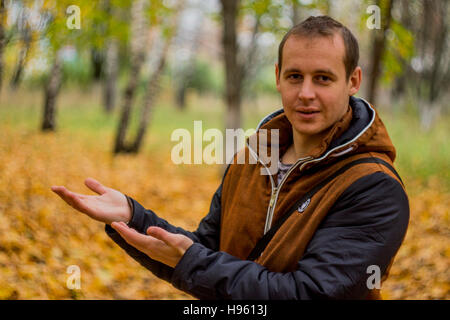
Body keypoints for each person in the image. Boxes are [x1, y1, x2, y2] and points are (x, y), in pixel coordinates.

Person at [51, 16, 409, 299]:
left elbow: (311, 292)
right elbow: (208, 250)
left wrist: (192, 261)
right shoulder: (252, 158)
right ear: (277, 78)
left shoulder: (374, 187)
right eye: (295, 76)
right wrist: (133, 216)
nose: (306, 93)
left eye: (323, 78)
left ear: (353, 80)